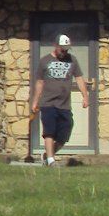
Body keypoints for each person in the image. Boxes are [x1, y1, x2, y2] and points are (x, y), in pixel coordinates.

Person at [29, 34, 92, 166]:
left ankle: (47, 155)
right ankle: (51, 161)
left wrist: (85, 96)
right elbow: (40, 82)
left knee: (64, 134)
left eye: (66, 49)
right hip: (48, 103)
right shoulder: (44, 61)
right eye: (62, 49)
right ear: (55, 46)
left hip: (64, 105)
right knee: (49, 131)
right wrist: (35, 101)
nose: (64, 52)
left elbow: (79, 78)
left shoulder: (72, 60)